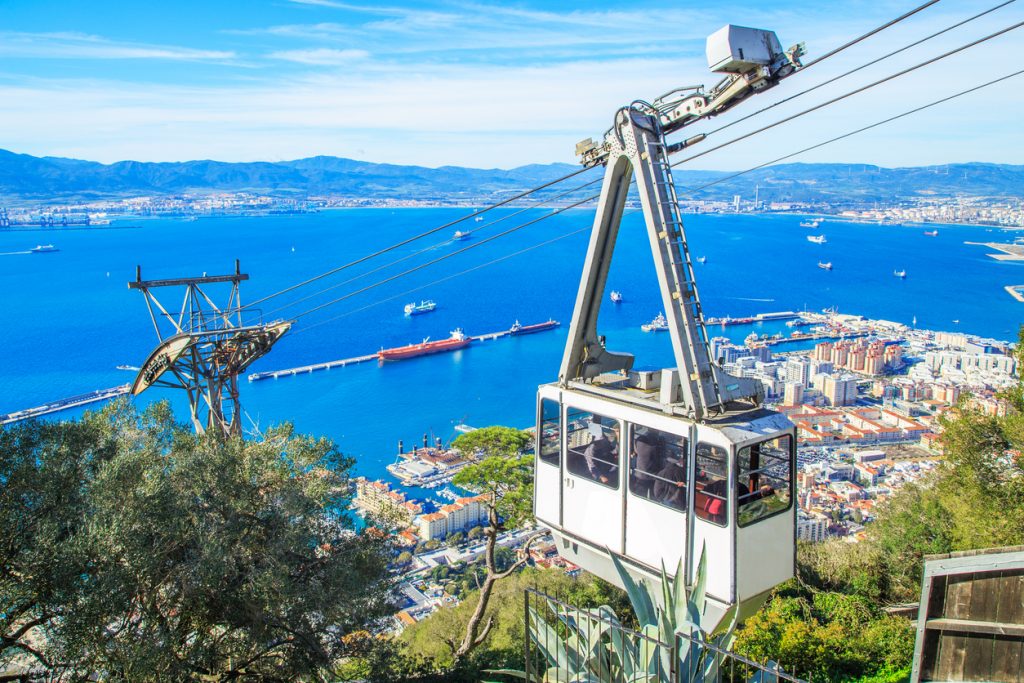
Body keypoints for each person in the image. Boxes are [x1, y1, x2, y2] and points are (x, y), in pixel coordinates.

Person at [630, 433, 661, 498]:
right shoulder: (654, 448)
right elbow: (658, 458)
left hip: (640, 475)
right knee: (654, 498)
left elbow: (636, 451)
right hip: (652, 477)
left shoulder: (638, 443)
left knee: (639, 497)